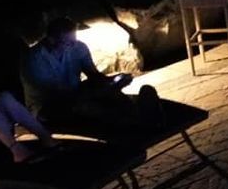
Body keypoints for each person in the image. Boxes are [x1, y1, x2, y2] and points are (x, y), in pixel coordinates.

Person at [22, 17, 161, 132]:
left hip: (75, 94)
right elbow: (56, 95)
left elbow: (93, 75)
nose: (72, 45)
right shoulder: (34, 60)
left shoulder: (78, 47)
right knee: (83, 105)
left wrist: (112, 81)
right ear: (51, 40)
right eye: (67, 42)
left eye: (73, 40)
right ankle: (136, 119)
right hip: (48, 106)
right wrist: (92, 93)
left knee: (103, 90)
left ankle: (135, 113)